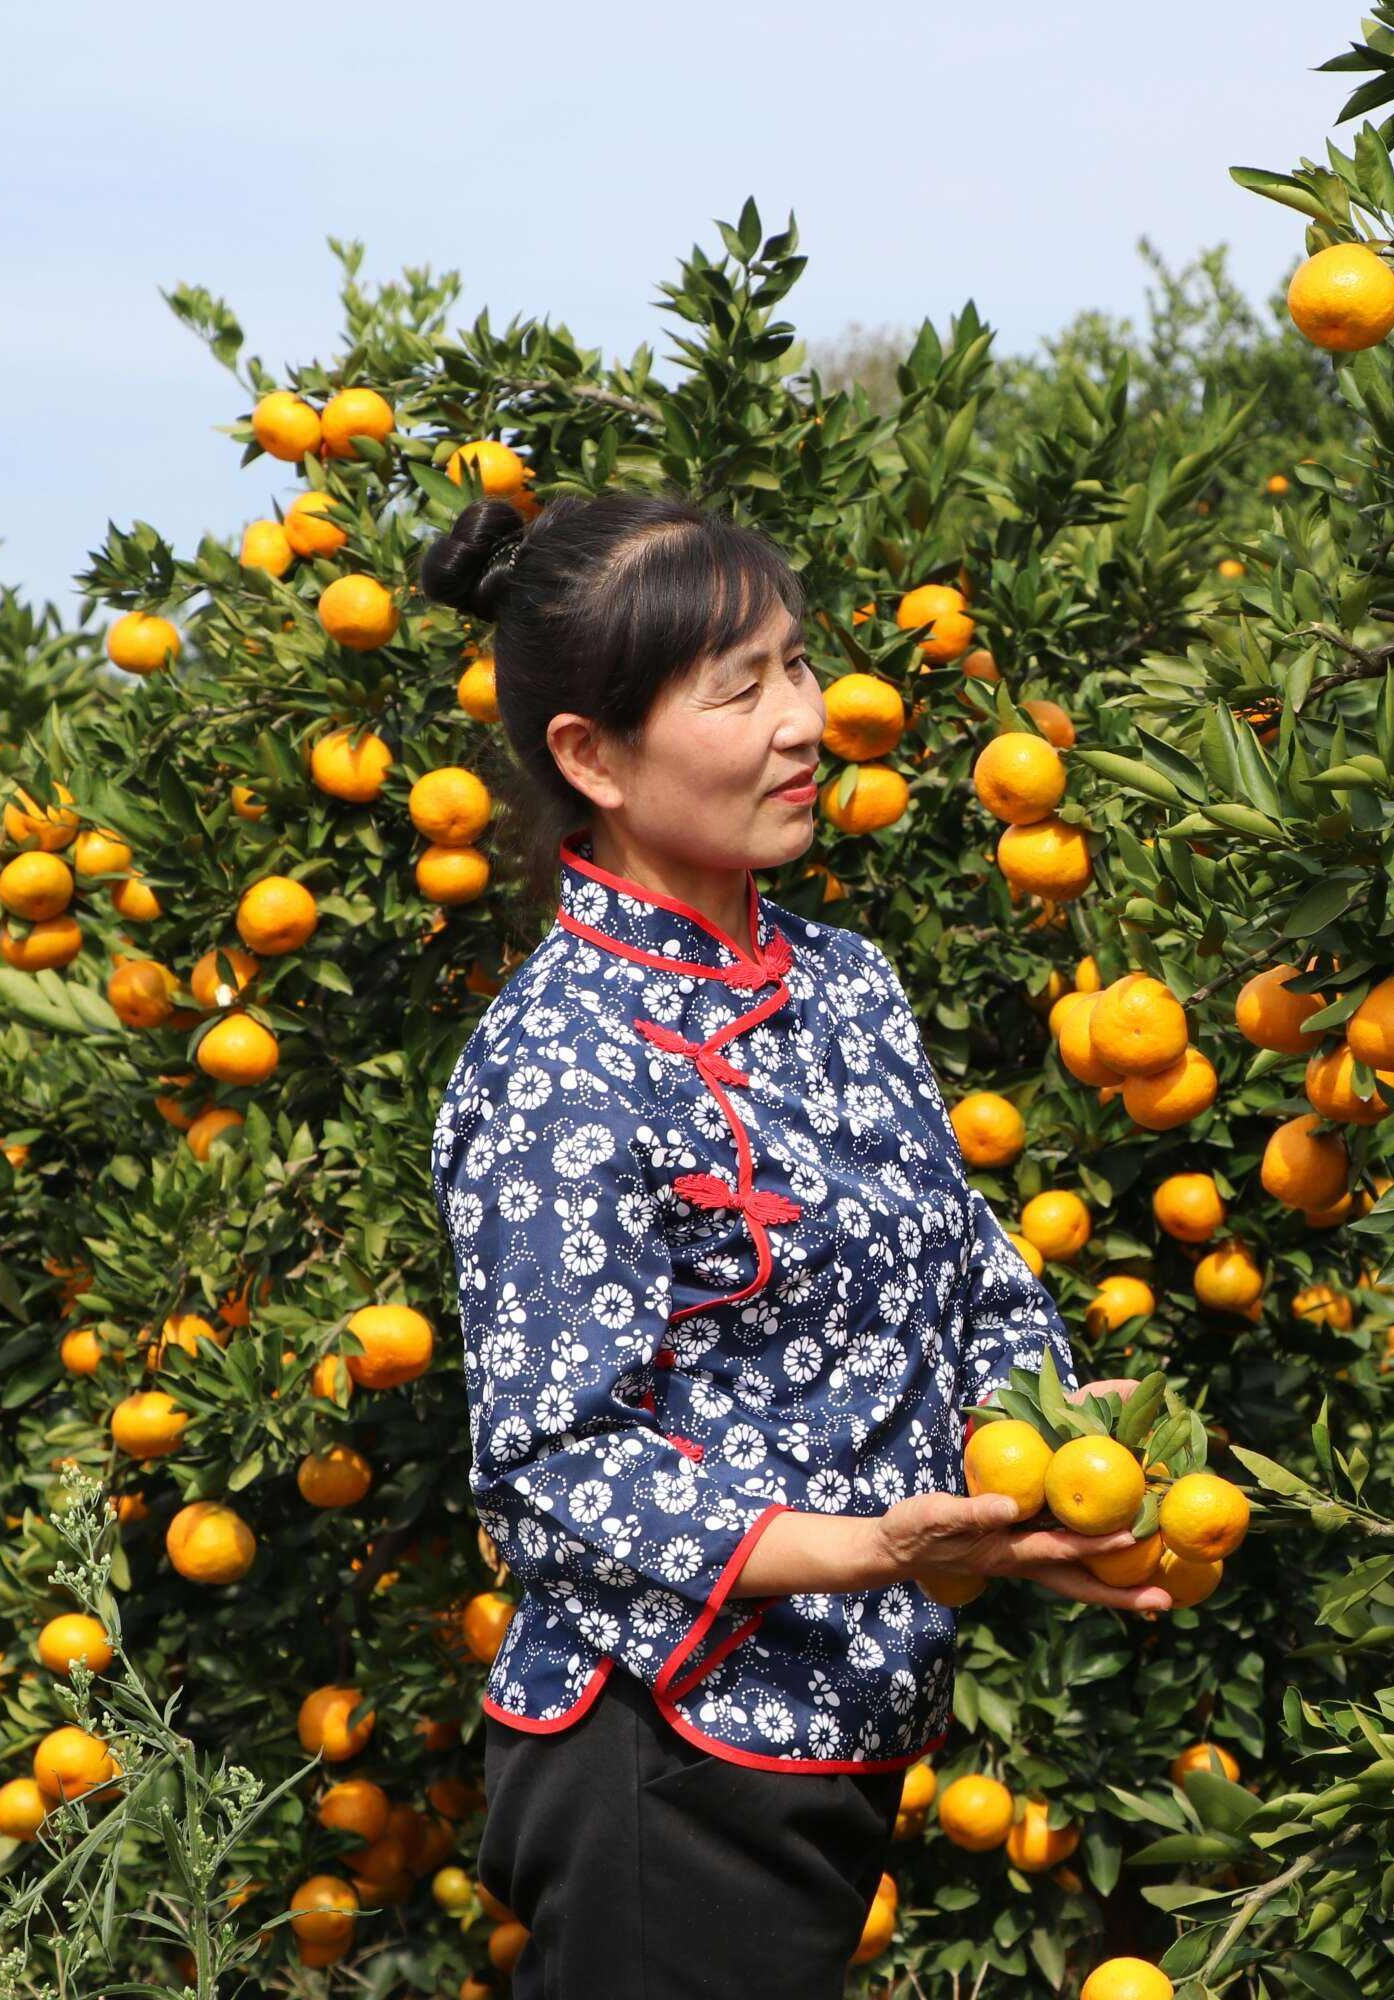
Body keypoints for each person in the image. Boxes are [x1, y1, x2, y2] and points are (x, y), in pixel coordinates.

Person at [421, 491, 1161, 1999]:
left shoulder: (842, 978)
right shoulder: (560, 1058)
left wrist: (1043, 1452)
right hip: (666, 1764)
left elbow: (971, 1273)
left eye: (799, 667)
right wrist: (877, 1548)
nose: (805, 722)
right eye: (741, 688)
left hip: (850, 1727)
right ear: (593, 759)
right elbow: (561, 1465)